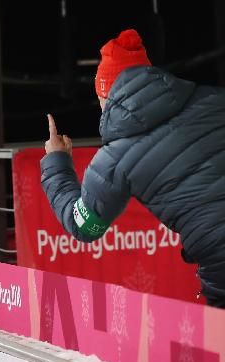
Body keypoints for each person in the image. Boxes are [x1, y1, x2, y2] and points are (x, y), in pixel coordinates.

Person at [41, 29, 225, 308]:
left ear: (106, 96)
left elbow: (83, 225)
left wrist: (57, 161)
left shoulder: (115, 155)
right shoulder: (213, 98)